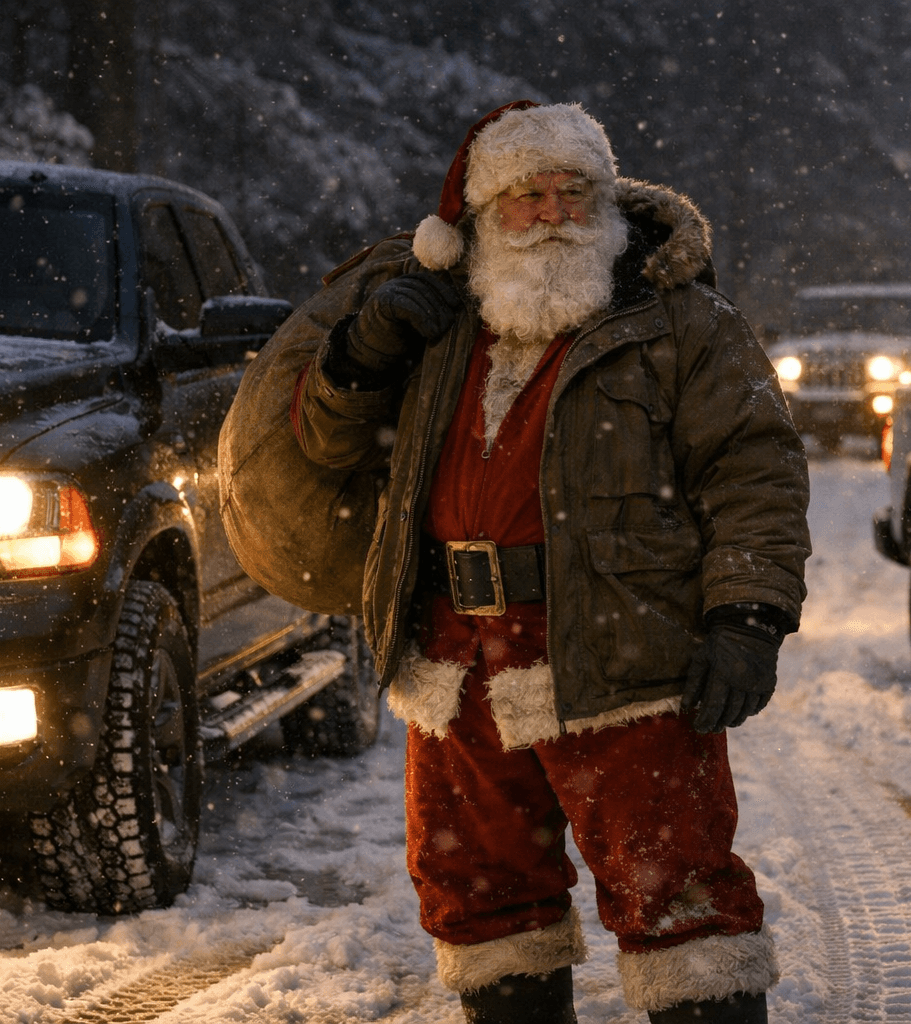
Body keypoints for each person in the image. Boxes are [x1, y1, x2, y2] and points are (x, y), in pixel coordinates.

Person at [292, 100, 810, 1024]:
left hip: (626, 658)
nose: (555, 214)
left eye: (575, 191)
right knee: (483, 899)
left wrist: (748, 614)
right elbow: (324, 445)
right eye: (528, 195)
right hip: (456, 664)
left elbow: (754, 470)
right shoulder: (438, 322)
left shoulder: (682, 321)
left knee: (681, 901)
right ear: (486, 215)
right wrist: (363, 353)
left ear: (606, 201)